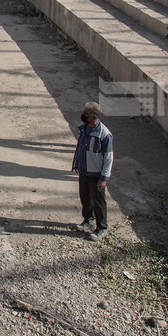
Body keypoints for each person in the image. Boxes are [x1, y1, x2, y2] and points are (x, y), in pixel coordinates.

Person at [72, 102, 114, 242]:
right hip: (84, 170)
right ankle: (88, 220)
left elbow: (108, 158)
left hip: (96, 174)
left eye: (86, 114)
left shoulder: (104, 134)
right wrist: (77, 164)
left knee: (99, 202)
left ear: (94, 116)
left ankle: (102, 228)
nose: (83, 116)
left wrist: (104, 178)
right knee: (85, 197)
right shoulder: (84, 129)